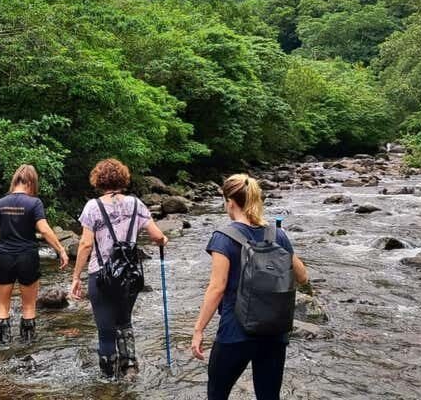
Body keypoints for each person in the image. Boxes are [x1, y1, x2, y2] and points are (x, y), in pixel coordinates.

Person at [191, 174, 309, 400]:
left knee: (217, 394)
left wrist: (198, 330)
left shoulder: (223, 238)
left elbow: (217, 288)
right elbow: (303, 277)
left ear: (230, 202)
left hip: (235, 333)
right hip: (274, 333)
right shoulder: (278, 234)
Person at [70, 159, 168, 378]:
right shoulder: (136, 204)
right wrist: (164, 240)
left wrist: (76, 276)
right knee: (124, 321)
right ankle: (130, 367)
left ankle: (109, 380)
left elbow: (85, 244)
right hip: (129, 275)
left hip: (101, 274)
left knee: (106, 330)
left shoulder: (93, 207)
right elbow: (157, 236)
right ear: (123, 178)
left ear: (98, 179)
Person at [0, 164, 69, 345]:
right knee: (29, 306)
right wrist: (61, 250)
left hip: (5, 257)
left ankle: (2, 346)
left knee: (1, 306)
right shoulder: (34, 203)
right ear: (31, 182)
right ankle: (28, 346)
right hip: (27, 257)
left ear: (15, 180)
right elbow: (45, 230)